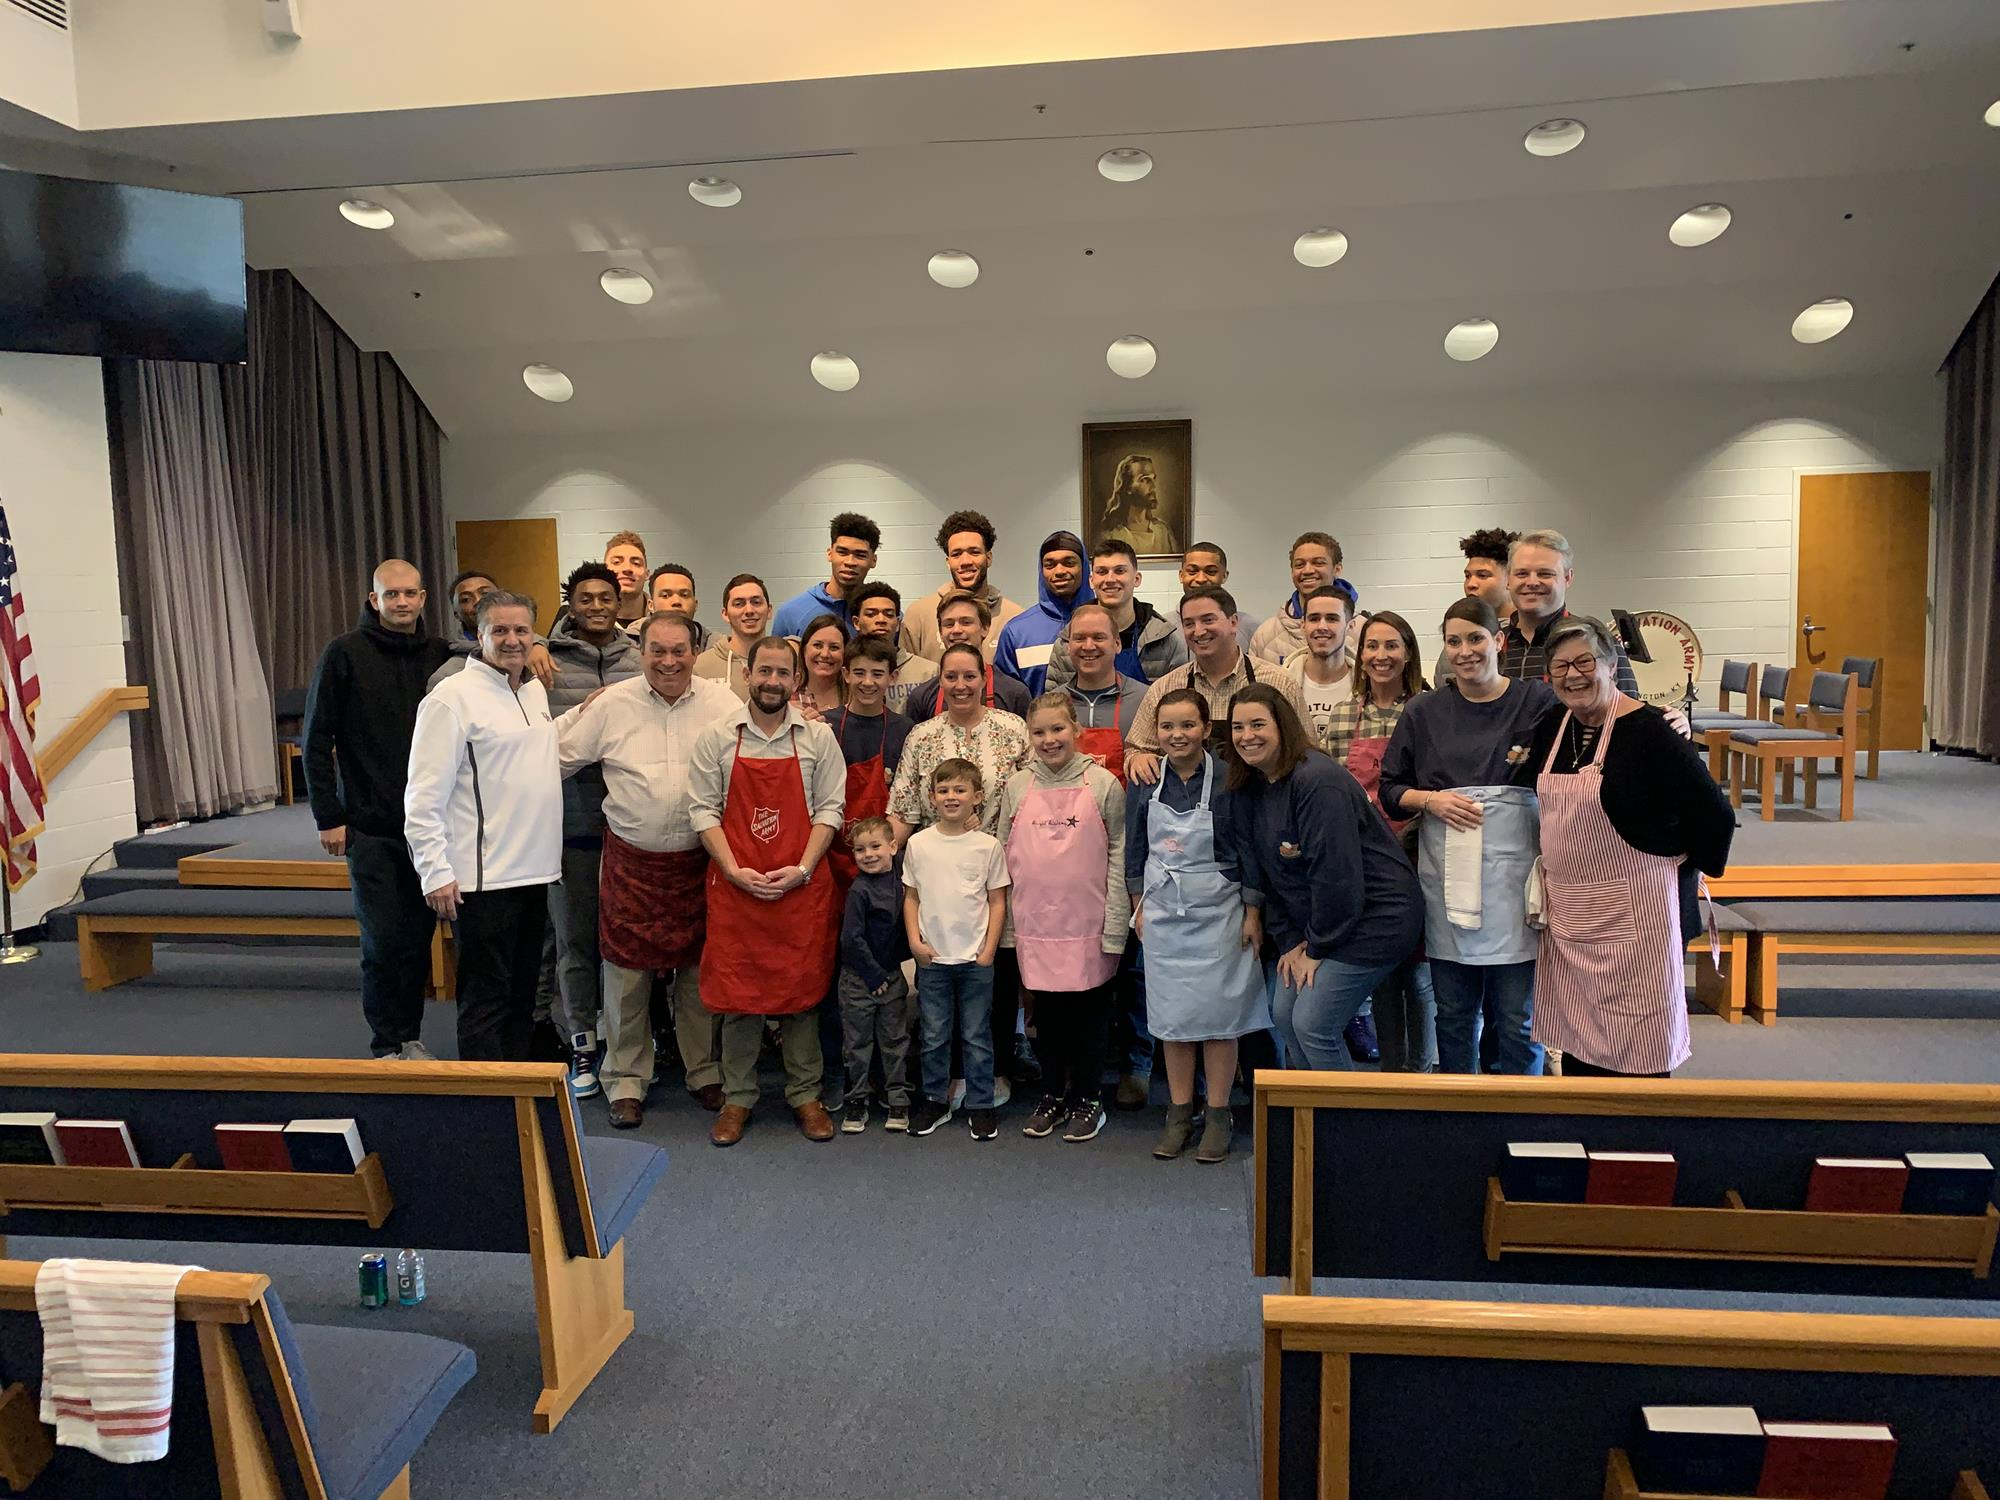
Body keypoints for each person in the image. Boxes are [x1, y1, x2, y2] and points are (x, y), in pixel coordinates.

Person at [1527, 617, 1735, 1077]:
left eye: (1585, 662)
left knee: (1639, 1050)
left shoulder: (1652, 731)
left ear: (1610, 665)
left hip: (1639, 917)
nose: (1573, 675)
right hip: (1571, 918)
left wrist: (1680, 868)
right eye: (1560, 667)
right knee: (1579, 1042)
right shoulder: (1553, 727)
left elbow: (1716, 815)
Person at [556, 612, 736, 1124]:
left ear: (696, 651)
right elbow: (550, 755)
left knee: (698, 975)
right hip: (632, 861)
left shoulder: (724, 703)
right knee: (626, 976)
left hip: (700, 863)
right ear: (640, 652)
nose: (669, 660)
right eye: (658, 650)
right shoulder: (612, 704)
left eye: (679, 650)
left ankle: (703, 1071)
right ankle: (625, 1080)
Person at [1380, 597, 1558, 1076]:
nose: (1465, 651)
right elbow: (1391, 790)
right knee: (1456, 1015)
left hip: (1514, 882)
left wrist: (1670, 720)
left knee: (1518, 1019)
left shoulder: (1537, 703)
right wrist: (1430, 801)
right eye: (1454, 641)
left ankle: (1522, 1117)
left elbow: (1595, 729)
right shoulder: (1423, 711)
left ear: (1498, 640)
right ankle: (1457, 1113)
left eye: (1475, 638)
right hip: (1447, 877)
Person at [689, 636, 847, 1146]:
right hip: (737, 887)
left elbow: (830, 811)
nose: (773, 681)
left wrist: (802, 868)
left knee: (801, 993)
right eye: (765, 672)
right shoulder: (717, 737)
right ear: (748, 675)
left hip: (800, 886)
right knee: (740, 996)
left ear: (796, 679)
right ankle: (739, 1097)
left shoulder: (818, 740)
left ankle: (805, 1094)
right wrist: (734, 869)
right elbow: (702, 812)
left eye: (783, 673)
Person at [303, 559, 457, 1059]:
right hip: (372, 828)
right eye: (392, 595)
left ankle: (408, 1036)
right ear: (375, 600)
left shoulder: (442, 655)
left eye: (410, 593)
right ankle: (388, 1043)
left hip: (433, 829)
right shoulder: (343, 654)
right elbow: (315, 739)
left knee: (416, 942)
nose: (402, 602)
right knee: (385, 943)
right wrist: (329, 815)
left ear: (424, 597)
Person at [1227, 685, 1423, 1076]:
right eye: (1238, 727)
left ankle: (1348, 1128)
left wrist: (1315, 949)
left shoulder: (1317, 781)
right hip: (1321, 925)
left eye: (1258, 724)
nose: (1247, 736)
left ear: (1283, 726)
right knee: (1283, 1012)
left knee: (1313, 1023)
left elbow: (1338, 879)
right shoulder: (1254, 787)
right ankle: (1310, 1122)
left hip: (1377, 919)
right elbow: (1273, 877)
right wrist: (1290, 942)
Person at [404, 591, 562, 1061]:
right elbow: (422, 794)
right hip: (482, 881)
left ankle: (516, 1101)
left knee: (522, 1000)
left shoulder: (533, 690)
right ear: (478, 634)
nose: (512, 640)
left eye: (521, 630)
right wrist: (434, 871)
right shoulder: (450, 699)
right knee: (485, 1002)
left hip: (536, 874)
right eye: (500, 631)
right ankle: (484, 1111)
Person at [1128, 689, 1269, 1162]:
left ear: (1207, 729)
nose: (1177, 735)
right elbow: (1134, 852)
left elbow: (1250, 851)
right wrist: (1138, 906)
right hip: (1164, 912)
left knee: (1220, 1021)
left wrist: (1252, 913)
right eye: (1167, 727)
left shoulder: (1232, 780)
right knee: (1173, 1021)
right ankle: (1177, 1112)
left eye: (1187, 725)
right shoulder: (1145, 781)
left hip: (1220, 913)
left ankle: (1218, 1112)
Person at [887, 642, 1032, 1089]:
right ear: (940, 682)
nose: (960, 685)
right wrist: (883, 856)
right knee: (942, 980)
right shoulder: (923, 736)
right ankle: (947, 1076)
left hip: (1003, 865)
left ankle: (997, 1070)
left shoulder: (1012, 729)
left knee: (996, 974)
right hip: (940, 875)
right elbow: (904, 807)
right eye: (951, 676)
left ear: (984, 679)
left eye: (970, 676)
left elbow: (1033, 794)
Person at [997, 692, 1130, 1145]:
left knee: (1090, 1017)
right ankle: (1053, 1093)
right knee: (1047, 1018)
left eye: (1058, 729)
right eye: (1039, 732)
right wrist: (1008, 929)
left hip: (1089, 925)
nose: (1049, 739)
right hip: (1034, 926)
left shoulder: (1103, 785)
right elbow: (1002, 858)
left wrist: (1116, 923)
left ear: (1076, 729)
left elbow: (1119, 856)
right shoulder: (1017, 787)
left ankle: (1089, 1098)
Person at [538, 563, 642, 1087]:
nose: (597, 606)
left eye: (606, 597)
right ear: (571, 604)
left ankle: (629, 1042)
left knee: (626, 945)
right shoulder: (545, 661)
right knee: (575, 944)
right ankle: (582, 1041)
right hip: (571, 825)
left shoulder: (640, 659)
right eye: (585, 598)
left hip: (630, 828)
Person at [1322, 610, 1435, 1073]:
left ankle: (1423, 1068)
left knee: (1421, 973)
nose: (1381, 655)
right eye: (1372, 646)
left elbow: (1432, 783)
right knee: (1383, 969)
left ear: (1408, 652)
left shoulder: (1428, 708)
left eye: (1392, 646)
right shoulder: (1347, 712)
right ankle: (1392, 1070)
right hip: (1364, 856)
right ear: (1360, 653)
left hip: (1416, 850)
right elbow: (1331, 786)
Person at [1053, 602, 1151, 1106]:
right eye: (1078, 639)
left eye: (1099, 638)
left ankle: (1137, 1065)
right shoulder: (1051, 704)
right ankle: (1072, 1066)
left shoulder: (1145, 700)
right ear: (1067, 647)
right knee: (1073, 964)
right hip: (1067, 855)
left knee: (1132, 965)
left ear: (1118, 644)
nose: (1088, 647)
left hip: (1129, 848)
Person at [902, 758, 1010, 1139]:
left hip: (975, 959)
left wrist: (989, 950)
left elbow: (997, 901)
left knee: (977, 1034)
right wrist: (915, 941)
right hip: (933, 959)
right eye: (943, 790)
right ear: (932, 797)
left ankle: (980, 1103)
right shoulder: (918, 844)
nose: (951, 797)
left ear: (977, 797)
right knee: (934, 1034)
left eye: (960, 790)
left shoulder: (987, 846)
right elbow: (911, 897)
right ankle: (935, 1099)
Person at [1124, 587, 1307, 784]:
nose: (1199, 631)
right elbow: (1135, 748)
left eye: (1208, 620)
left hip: (1262, 804)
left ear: (1233, 622)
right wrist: (1138, 759)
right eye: (1189, 624)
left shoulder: (1278, 682)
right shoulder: (1164, 688)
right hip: (1192, 808)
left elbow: (1305, 750)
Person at [837, 816, 914, 1134]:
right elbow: (850, 939)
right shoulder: (859, 891)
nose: (867, 854)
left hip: (891, 977)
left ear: (893, 846)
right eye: (859, 849)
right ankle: (856, 1099)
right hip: (860, 980)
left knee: (895, 1040)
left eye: (875, 846)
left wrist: (890, 974)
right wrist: (874, 977)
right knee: (857, 1043)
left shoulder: (902, 882)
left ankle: (898, 1097)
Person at [1501, 529, 1639, 693]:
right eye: (1522, 573)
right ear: (1508, 579)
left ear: (1567, 578)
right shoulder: (1490, 645)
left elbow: (1629, 711)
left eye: (1545, 574)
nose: (1532, 582)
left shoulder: (1598, 642)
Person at [1046, 539, 1188, 688]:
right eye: (1102, 572)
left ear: (1137, 579)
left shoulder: (1165, 640)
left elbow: (1182, 701)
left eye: (1120, 571)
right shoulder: (1066, 643)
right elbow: (1054, 706)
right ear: (1091, 580)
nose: (1110, 579)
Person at [901, 509, 1025, 664]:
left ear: (988, 558)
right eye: (956, 554)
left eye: (974, 552)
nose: (965, 561)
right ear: (948, 562)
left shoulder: (1014, 618)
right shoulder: (918, 615)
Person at [993, 529, 1094, 696]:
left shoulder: (1109, 624)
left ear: (1083, 567)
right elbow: (1006, 698)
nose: (1059, 571)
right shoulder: (1017, 632)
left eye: (1069, 563)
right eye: (1050, 564)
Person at [907, 592, 1033, 719]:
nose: (956, 630)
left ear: (985, 628)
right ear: (940, 632)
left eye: (966, 622)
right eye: (949, 624)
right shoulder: (921, 697)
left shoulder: (1015, 694)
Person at [770, 512, 880, 637]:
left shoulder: (885, 617)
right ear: (830, 554)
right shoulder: (790, 614)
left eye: (860, 555)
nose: (850, 562)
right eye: (842, 552)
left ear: (873, 560)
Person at [1434, 528, 1517, 686]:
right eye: (1467, 576)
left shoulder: (1526, 637)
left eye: (1483, 575)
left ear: (1510, 579)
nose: (1471, 584)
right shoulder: (1454, 644)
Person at [1250, 532, 1346, 666]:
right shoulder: (1265, 636)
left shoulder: (1359, 630)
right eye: (1299, 565)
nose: (1307, 570)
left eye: (1318, 563)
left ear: (1337, 569)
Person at [849, 581, 938, 716]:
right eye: (871, 614)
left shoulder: (928, 671)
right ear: (856, 622)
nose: (881, 620)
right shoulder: (847, 669)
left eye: (889, 614)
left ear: (897, 624)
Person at [1284, 584, 1359, 740]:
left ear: (1349, 626)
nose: (1322, 626)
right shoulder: (1280, 685)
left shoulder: (1367, 688)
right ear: (1303, 625)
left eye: (1332, 619)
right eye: (1314, 618)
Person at [694, 572, 770, 702]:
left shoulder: (785, 663)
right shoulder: (700, 667)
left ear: (769, 611)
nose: (749, 610)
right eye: (739, 604)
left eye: (756, 602)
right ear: (725, 614)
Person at [1180, 543, 1261, 642]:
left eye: (1211, 572)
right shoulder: (1166, 629)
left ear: (1224, 576)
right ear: (1181, 575)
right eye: (1192, 571)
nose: (1201, 579)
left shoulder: (1250, 627)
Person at [1100, 454, 1180, 555]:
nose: (1153, 487)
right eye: (1144, 480)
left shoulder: (1163, 532)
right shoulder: (1112, 535)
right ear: (1127, 487)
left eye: (1153, 479)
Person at [794, 614, 848, 718]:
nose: (825, 654)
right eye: (817, 645)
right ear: (804, 649)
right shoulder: (788, 697)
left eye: (834, 647)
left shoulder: (856, 698)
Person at [646, 562, 707, 648]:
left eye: (684, 595)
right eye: (665, 595)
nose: (676, 601)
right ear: (651, 605)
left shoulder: (715, 646)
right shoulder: (630, 644)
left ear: (695, 605)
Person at [603, 531, 649, 628]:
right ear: (604, 570)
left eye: (636, 563)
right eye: (616, 562)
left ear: (647, 574)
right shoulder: (585, 621)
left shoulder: (663, 620)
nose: (627, 568)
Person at [446, 569, 495, 643]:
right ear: (456, 614)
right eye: (466, 599)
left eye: (486, 594)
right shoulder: (446, 653)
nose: (478, 601)